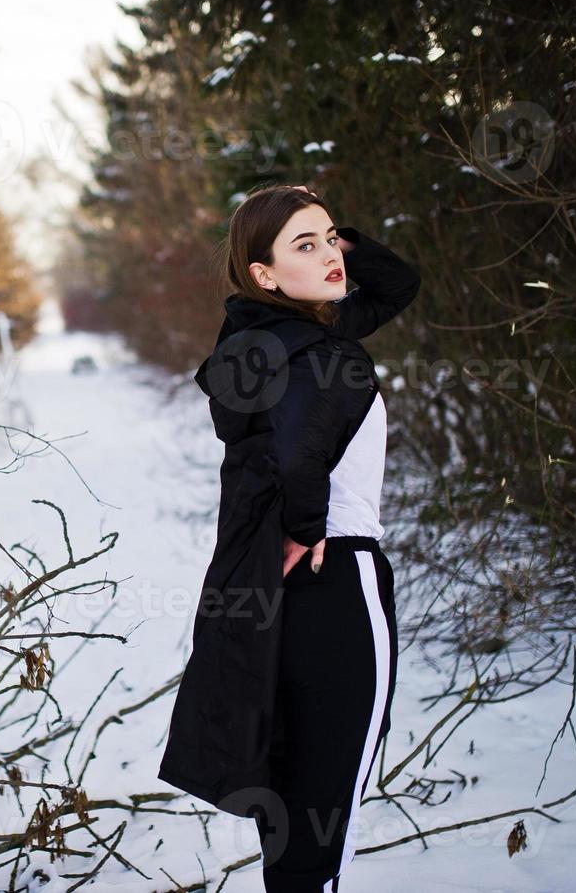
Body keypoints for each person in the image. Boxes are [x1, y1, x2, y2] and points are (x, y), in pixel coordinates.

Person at [159, 183, 421, 892]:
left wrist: (333, 234)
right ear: (263, 276)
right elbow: (296, 452)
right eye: (304, 246)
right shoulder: (320, 353)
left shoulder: (271, 344)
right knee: (326, 825)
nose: (331, 253)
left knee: (294, 815)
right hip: (337, 572)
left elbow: (398, 285)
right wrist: (307, 526)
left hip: (277, 591)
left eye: (331, 238)